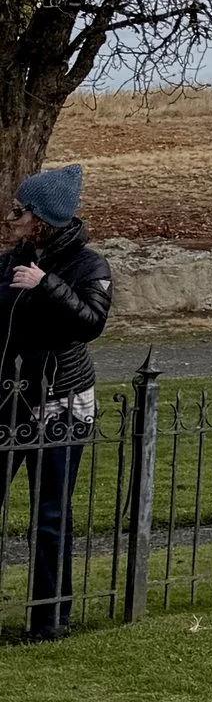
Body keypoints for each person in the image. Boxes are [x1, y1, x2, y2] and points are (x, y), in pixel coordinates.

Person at [1, 163, 113, 639]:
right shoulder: (10, 259)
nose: (11, 215)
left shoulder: (90, 266)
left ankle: (49, 620)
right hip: (9, 401)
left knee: (50, 514)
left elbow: (91, 322)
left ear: (42, 218)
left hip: (59, 404)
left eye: (19, 210)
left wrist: (46, 284)